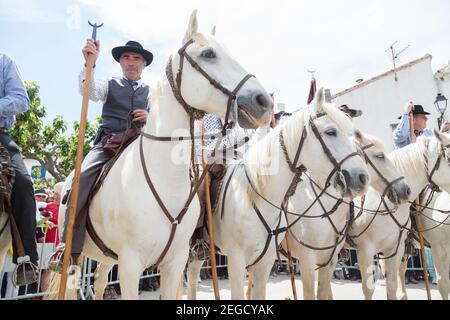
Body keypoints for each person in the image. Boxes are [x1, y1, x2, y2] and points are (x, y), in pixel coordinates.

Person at [50, 39, 153, 271]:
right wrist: (90, 63)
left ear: (144, 64)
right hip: (110, 144)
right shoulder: (109, 84)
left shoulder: (152, 93)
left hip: (141, 145)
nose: (131, 62)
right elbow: (88, 91)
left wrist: (149, 116)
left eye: (136, 58)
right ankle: (68, 248)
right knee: (82, 177)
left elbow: (162, 121)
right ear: (120, 62)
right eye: (126, 57)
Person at [0, 52, 39, 285]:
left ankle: (26, 257)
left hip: (0, 136)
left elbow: (21, 99)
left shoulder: (4, 62)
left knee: (23, 184)